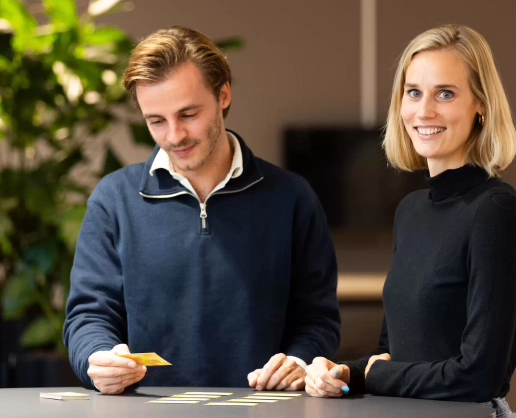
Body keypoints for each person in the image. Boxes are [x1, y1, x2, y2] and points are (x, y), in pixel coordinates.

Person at [64, 26, 341, 394]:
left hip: (266, 411)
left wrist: (300, 361)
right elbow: (88, 315)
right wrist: (97, 358)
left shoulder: (292, 198)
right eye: (156, 121)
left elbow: (318, 319)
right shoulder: (114, 200)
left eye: (189, 114)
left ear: (223, 95)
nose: (174, 136)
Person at [304, 25, 516, 417]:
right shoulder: (411, 211)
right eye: (413, 93)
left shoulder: (495, 210)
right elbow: (392, 353)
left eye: (445, 94)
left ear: (480, 105)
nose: (424, 111)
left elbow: (479, 376)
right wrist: (343, 372)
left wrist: (374, 375)